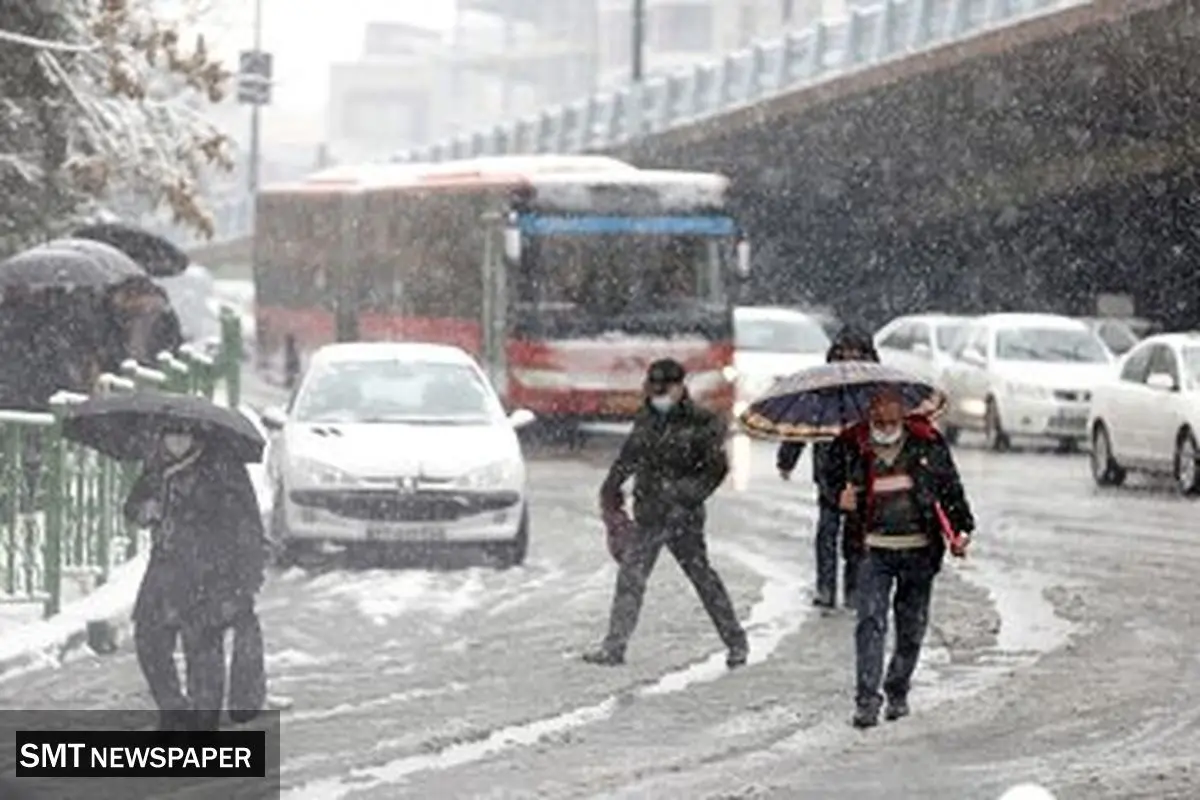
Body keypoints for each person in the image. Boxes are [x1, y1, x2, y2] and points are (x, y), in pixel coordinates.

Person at [583, 358, 749, 667]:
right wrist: (610, 488)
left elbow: (716, 469)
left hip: (684, 517)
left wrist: (685, 495)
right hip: (649, 513)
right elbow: (628, 457)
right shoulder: (647, 418)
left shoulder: (702, 421)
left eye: (665, 389)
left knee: (703, 579)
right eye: (654, 389)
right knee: (631, 578)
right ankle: (614, 647)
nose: (659, 395)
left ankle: (736, 642)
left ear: (680, 388)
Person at [832, 388, 974, 728]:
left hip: (919, 550)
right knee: (870, 621)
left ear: (903, 406)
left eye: (892, 402)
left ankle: (897, 689)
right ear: (869, 408)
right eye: (878, 403)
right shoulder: (850, 444)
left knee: (911, 628)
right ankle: (867, 700)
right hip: (871, 550)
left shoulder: (927, 442)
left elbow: (950, 489)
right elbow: (829, 480)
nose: (886, 411)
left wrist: (961, 529)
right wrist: (839, 495)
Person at [124, 427, 267, 730]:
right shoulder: (157, 466)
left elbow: (245, 522)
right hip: (165, 570)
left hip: (211, 571)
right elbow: (133, 505)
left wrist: (244, 577)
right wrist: (144, 510)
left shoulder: (222, 466)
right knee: (150, 638)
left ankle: (203, 721)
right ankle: (174, 709)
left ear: (197, 437)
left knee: (203, 646)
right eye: (170, 434)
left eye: (184, 435)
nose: (177, 441)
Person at [776, 326, 880, 609]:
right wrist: (787, 459)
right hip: (829, 471)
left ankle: (853, 589)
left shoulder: (876, 390)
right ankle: (826, 588)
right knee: (827, 531)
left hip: (864, 471)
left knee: (856, 536)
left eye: (855, 354)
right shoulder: (822, 390)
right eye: (844, 354)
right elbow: (802, 425)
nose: (849, 360)